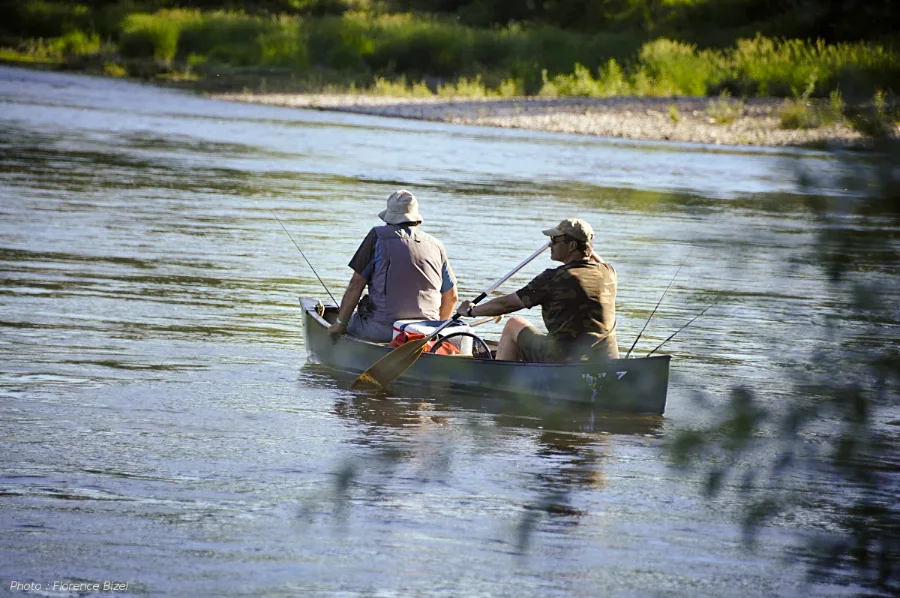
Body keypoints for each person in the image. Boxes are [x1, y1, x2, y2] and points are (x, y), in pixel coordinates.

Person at [456, 218, 619, 361]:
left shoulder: (552, 278)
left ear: (572, 245)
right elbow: (594, 260)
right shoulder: (609, 273)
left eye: (555, 240)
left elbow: (506, 305)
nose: (550, 245)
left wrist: (471, 311)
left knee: (514, 323)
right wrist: (585, 244)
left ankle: (498, 380)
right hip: (605, 359)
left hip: (563, 361)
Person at [328, 190, 458, 342]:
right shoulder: (436, 245)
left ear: (389, 217)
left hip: (382, 331)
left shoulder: (377, 236)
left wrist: (339, 325)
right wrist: (434, 334)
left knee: (351, 321)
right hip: (425, 334)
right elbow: (452, 297)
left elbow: (355, 285)